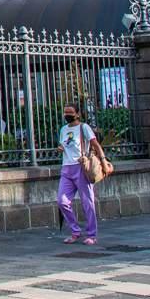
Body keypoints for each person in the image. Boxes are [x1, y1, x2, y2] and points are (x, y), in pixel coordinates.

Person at [57, 103, 106, 245]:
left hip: (81, 167)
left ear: (77, 114)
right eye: (65, 112)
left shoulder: (84, 128)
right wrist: (61, 148)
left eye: (70, 112)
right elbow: (64, 145)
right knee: (62, 201)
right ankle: (75, 231)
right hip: (66, 167)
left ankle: (92, 234)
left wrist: (103, 161)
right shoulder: (63, 129)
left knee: (87, 202)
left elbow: (95, 145)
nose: (67, 115)